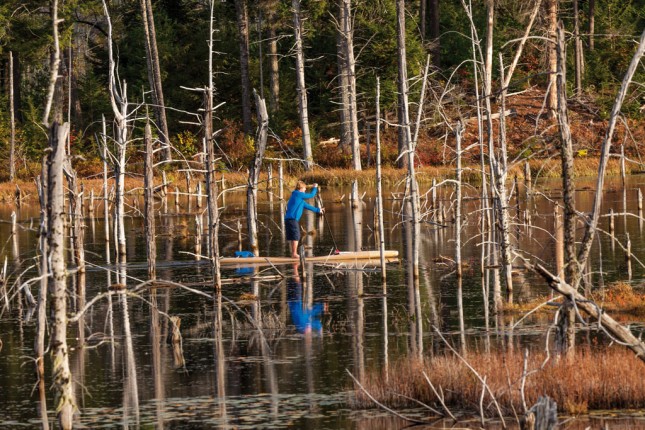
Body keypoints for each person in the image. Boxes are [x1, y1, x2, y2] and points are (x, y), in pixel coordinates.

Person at [284, 180, 325, 258]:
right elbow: (311, 195)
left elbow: (308, 206)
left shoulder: (298, 199)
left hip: (289, 219)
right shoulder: (297, 194)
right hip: (292, 219)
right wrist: (315, 187)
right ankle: (294, 254)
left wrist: (318, 210)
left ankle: (293, 254)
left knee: (294, 237)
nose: (305, 190)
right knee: (296, 236)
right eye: (304, 188)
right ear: (301, 188)